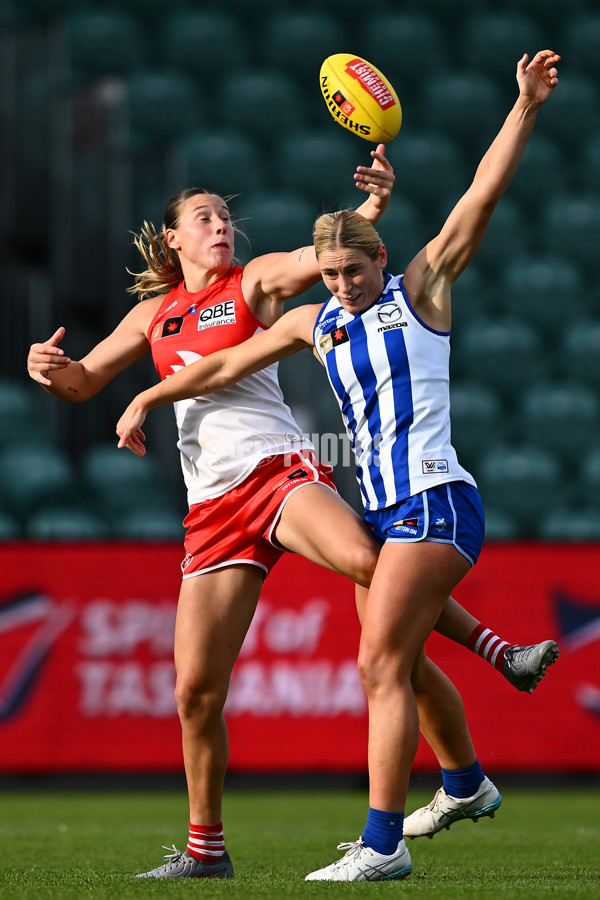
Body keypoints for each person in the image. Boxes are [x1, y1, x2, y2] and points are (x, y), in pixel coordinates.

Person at [114, 50, 561, 882]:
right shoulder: (314, 323)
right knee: (391, 653)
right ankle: (465, 779)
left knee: (379, 663)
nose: (344, 283)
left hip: (434, 497)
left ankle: (384, 845)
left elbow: (479, 198)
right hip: (387, 508)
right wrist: (146, 396)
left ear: (382, 260)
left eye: (355, 269)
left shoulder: (419, 292)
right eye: (330, 274)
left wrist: (526, 106)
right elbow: (219, 366)